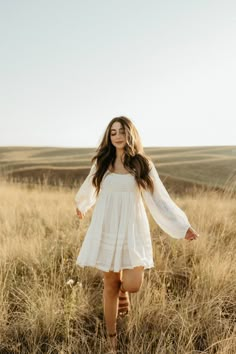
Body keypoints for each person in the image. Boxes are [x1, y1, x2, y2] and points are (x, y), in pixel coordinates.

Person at [75, 116, 199, 353]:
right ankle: (112, 340)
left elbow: (160, 198)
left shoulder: (142, 164)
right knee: (110, 284)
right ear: (109, 137)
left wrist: (183, 226)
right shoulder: (103, 162)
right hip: (107, 226)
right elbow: (89, 186)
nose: (117, 136)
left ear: (130, 133)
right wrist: (82, 205)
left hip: (132, 228)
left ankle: (124, 293)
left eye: (121, 131)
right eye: (113, 132)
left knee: (132, 285)